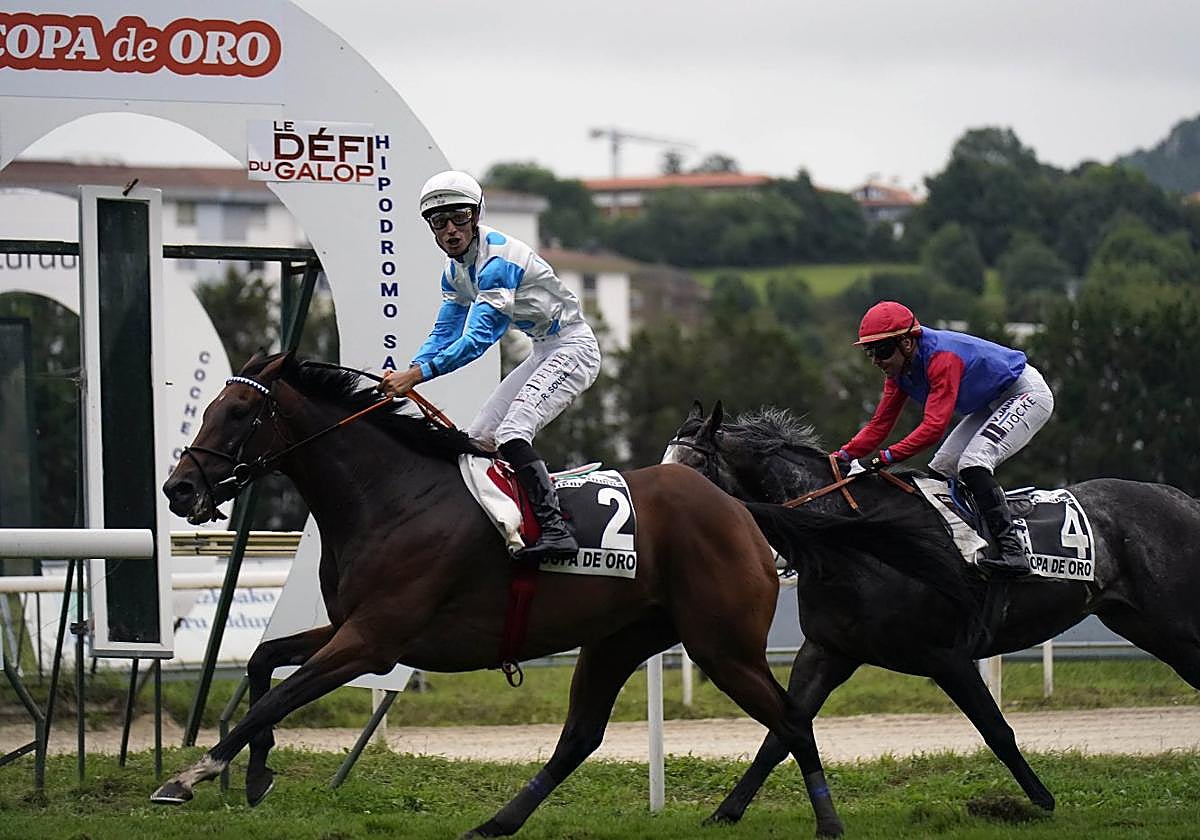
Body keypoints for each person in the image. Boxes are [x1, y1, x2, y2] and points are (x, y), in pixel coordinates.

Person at [379, 170, 601, 562]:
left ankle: (556, 530)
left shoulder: (497, 261)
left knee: (513, 431)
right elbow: (445, 331)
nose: (450, 229)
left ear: (476, 215)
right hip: (543, 350)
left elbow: (478, 340)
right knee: (479, 438)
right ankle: (498, 523)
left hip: (573, 347)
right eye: (439, 221)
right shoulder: (455, 271)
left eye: (459, 218)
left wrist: (415, 376)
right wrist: (413, 369)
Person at [833, 300, 1055, 576]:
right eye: (871, 352)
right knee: (941, 469)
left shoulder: (941, 358)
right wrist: (840, 457)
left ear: (907, 343)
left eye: (882, 351)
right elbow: (880, 424)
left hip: (1025, 393)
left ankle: (1013, 551)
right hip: (991, 402)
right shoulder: (899, 370)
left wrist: (882, 460)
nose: (878, 361)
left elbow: (933, 428)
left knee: (973, 463)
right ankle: (964, 541)